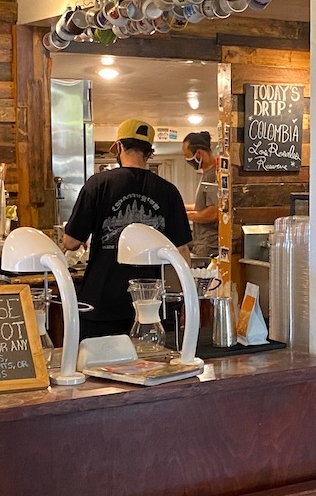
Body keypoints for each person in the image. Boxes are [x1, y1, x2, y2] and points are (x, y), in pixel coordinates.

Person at [62, 118, 192, 338]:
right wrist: (188, 302)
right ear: (150, 152)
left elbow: (70, 242)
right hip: (148, 305)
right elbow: (182, 252)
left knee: (97, 368)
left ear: (118, 146)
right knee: (148, 366)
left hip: (101, 300)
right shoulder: (168, 191)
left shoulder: (98, 184)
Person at [182, 130, 219, 264]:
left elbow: (213, 213)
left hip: (210, 247)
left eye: (188, 156)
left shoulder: (213, 176)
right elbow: (201, 206)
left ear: (199, 153)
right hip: (203, 244)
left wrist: (185, 215)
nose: (187, 160)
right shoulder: (206, 174)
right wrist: (179, 207)